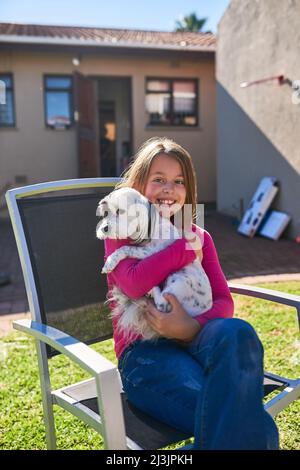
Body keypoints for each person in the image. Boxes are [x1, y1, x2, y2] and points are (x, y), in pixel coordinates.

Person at [103, 137, 279, 450]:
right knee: (235, 419)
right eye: (158, 180)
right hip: (146, 355)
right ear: (138, 185)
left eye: (179, 181)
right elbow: (132, 284)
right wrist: (183, 251)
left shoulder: (200, 236)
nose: (169, 189)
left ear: (189, 190)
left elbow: (224, 302)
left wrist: (190, 328)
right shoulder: (124, 229)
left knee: (237, 330)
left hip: (198, 342)